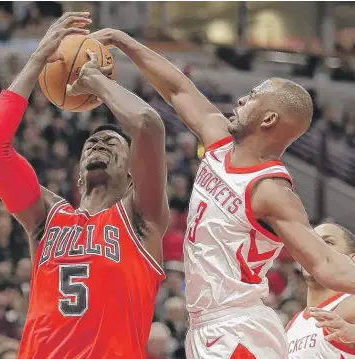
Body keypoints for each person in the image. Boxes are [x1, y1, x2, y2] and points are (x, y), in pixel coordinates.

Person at [91, 28, 355, 358]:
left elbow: (328, 264)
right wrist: (123, 41)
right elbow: (177, 89)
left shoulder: (270, 190)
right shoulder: (217, 143)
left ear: (269, 118)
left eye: (253, 96)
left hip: (237, 328)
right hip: (205, 326)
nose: (242, 99)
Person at [0, 13, 169, 359]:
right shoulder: (46, 217)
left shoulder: (142, 218)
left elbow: (147, 125)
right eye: (91, 144)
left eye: (113, 144)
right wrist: (37, 60)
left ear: (132, 176)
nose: (99, 144)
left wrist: (95, 80)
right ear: (78, 175)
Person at [286, 223, 355, 358]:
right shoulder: (293, 324)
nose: (314, 250)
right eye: (311, 243)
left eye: (328, 242)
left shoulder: (350, 305)